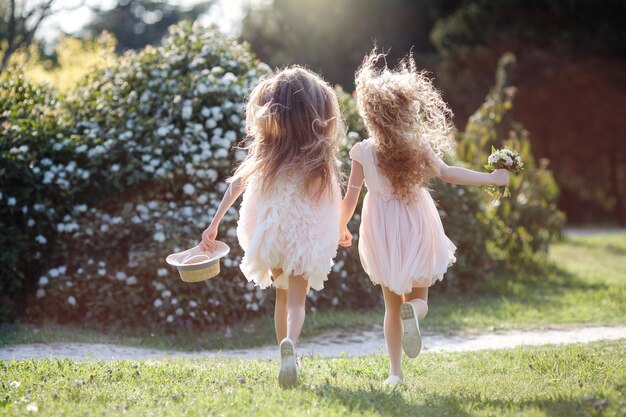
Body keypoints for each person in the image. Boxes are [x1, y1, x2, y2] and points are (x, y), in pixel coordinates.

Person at [339, 50, 509, 385]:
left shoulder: (362, 151)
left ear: (372, 114)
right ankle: (414, 314)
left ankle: (395, 374)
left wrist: (340, 226)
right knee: (420, 299)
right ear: (405, 109)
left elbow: (351, 197)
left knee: (390, 305)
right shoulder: (416, 144)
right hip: (416, 220)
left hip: (381, 227)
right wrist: (491, 178)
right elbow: (447, 173)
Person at [200, 66, 343, 388]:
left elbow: (235, 185)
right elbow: (331, 201)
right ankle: (291, 341)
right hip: (305, 234)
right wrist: (341, 226)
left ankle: (283, 353)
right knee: (296, 301)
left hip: (272, 231)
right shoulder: (318, 155)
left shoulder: (266, 151)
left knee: (280, 297)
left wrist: (214, 224)